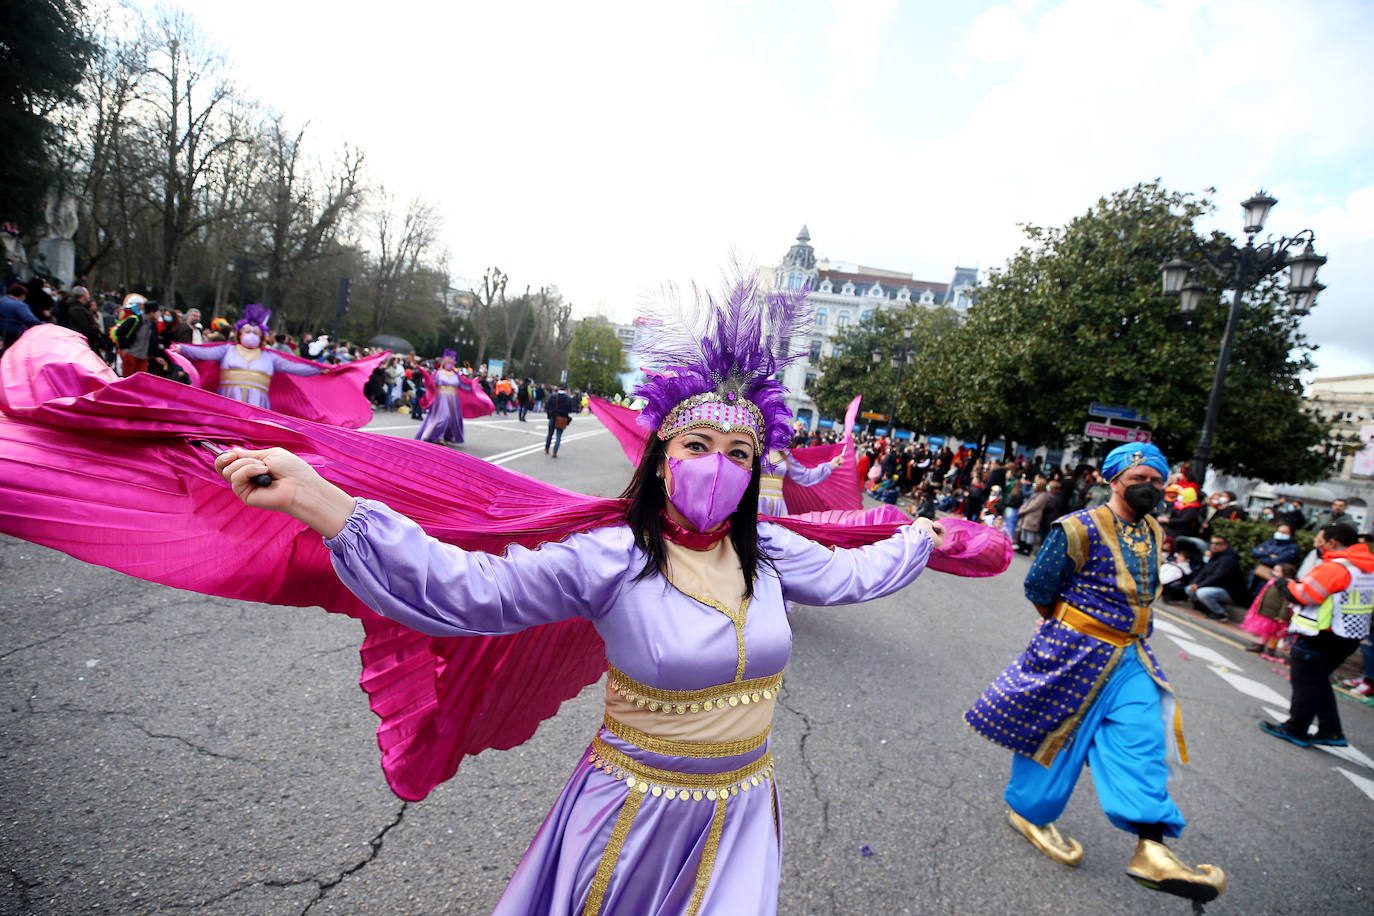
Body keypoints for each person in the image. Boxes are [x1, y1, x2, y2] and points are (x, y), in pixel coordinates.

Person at [211, 278, 948, 915]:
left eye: (738, 455)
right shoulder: (612, 558)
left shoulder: (774, 553)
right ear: (662, 461)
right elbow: (468, 590)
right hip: (629, 811)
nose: (716, 467)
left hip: (743, 813)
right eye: (696, 447)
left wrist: (919, 538)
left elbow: (856, 576)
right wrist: (322, 500)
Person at [966, 442, 1227, 908]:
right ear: (1114, 481)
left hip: (1132, 658)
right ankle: (1029, 814)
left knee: (1143, 740)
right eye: (1138, 480)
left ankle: (1152, 847)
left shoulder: (1152, 529)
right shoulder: (1075, 528)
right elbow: (1039, 587)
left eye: (1155, 480)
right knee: (1055, 739)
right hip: (1074, 652)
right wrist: (1068, 625)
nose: (1149, 488)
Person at [1260, 524, 1373, 749]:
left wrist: (1284, 585)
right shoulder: (1367, 566)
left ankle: (1296, 728)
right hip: (1349, 635)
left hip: (1320, 634)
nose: (1315, 543)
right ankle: (1331, 731)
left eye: (1319, 540)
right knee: (1319, 682)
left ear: (1333, 543)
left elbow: (1306, 595)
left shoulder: (1336, 567)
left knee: (1305, 684)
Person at [176, 304, 327, 408]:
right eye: (247, 332)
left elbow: (294, 367)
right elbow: (203, 352)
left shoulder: (269, 356)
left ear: (261, 337)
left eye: (255, 333)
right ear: (239, 334)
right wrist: (181, 348)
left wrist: (319, 369)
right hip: (227, 402)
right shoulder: (227, 350)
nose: (250, 335)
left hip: (257, 406)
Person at [1241, 562, 1297, 660]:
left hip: (1275, 614)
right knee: (1266, 631)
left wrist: (1283, 616)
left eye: (1277, 571)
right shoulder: (1274, 581)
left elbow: (1286, 602)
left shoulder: (1286, 585)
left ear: (1286, 573)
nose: (1274, 572)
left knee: (1275, 633)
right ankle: (1261, 644)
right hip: (1267, 611)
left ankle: (1270, 648)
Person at [1185, 534, 1249, 621]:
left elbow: (1218, 577)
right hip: (1213, 587)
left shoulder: (1229, 559)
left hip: (1228, 591)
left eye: (1217, 543)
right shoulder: (1215, 556)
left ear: (1225, 546)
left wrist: (1199, 586)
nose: (1213, 546)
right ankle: (1204, 608)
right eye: (1212, 543)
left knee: (1202, 593)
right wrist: (1195, 583)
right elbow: (1203, 572)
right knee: (1189, 588)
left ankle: (1220, 613)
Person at [415, 350, 470, 445]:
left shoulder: (455, 375)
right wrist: (425, 376)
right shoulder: (439, 373)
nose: (450, 365)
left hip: (453, 399)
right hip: (441, 399)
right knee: (444, 416)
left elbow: (463, 385)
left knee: (451, 419)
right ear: (444, 363)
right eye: (448, 363)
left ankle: (444, 436)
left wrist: (474, 386)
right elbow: (431, 383)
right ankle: (435, 436)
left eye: (451, 363)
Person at [1249, 524, 1301, 593]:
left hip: (1271, 578)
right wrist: (1268, 554)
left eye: (1284, 533)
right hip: (1257, 574)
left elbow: (1277, 561)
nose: (1280, 534)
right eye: (1279, 531)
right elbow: (1255, 552)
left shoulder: (1292, 548)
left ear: (1291, 535)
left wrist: (1262, 555)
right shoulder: (1271, 542)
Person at [545, 384, 574, 457]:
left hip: (553, 416)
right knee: (558, 436)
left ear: (559, 389)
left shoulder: (553, 396)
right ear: (566, 390)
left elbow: (548, 407)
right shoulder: (568, 399)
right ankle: (555, 452)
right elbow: (570, 410)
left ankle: (547, 448)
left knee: (550, 434)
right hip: (562, 418)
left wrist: (549, 414)